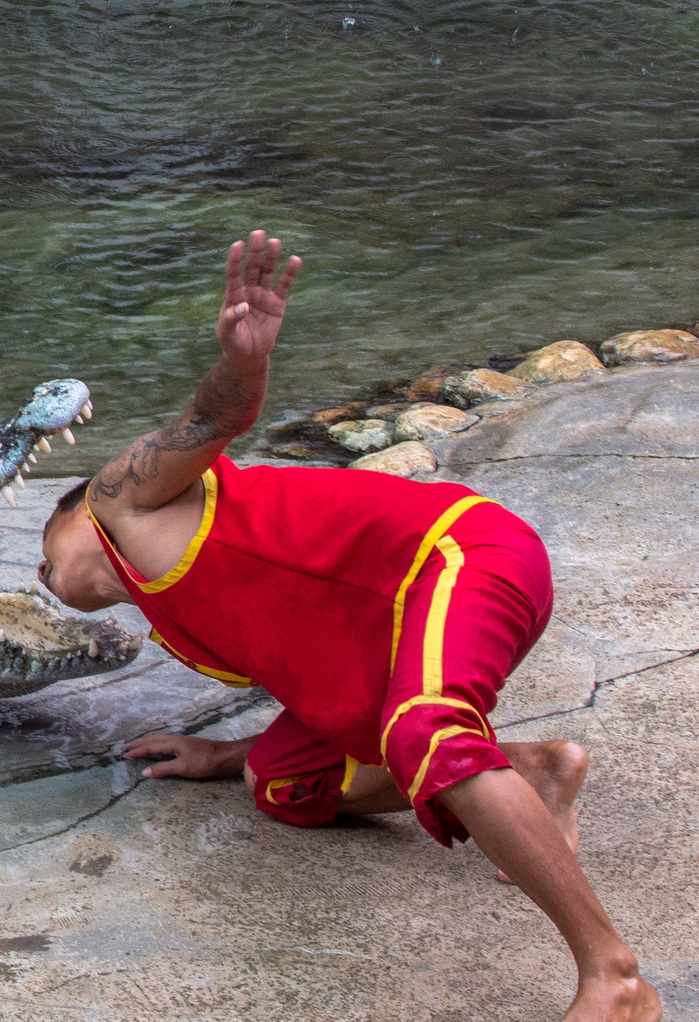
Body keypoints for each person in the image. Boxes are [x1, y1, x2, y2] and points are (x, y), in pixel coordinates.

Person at [37, 231, 657, 1022]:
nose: (42, 578)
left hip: (462, 554)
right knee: (282, 785)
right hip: (401, 618)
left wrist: (245, 362)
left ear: (73, 516)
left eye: (42, 556)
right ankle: (535, 772)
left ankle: (616, 977)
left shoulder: (120, 498)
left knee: (426, 730)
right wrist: (226, 754)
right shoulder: (169, 608)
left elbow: (217, 413)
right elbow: (311, 665)